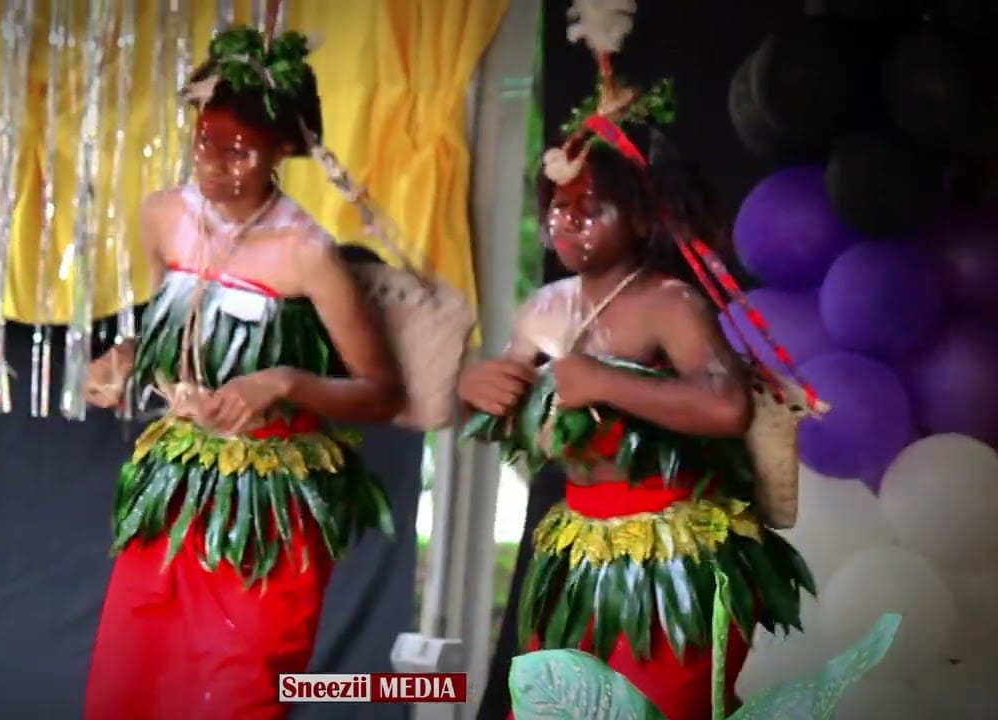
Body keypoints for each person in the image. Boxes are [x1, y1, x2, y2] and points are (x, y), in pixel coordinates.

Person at [457, 8, 815, 717]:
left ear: (646, 216)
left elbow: (725, 406)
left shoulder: (667, 303)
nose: (568, 220)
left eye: (591, 206)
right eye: (558, 206)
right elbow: (509, 402)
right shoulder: (547, 306)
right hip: (580, 549)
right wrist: (477, 383)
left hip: (671, 557)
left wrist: (604, 380)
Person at [79, 26, 405, 720]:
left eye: (241, 151)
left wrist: (284, 382)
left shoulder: (306, 252)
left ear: (282, 149)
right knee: (133, 685)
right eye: (207, 143)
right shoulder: (163, 216)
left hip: (266, 514)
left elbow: (383, 393)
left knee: (237, 692)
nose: (217, 165)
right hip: (175, 495)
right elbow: (170, 329)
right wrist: (124, 360)